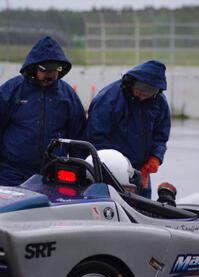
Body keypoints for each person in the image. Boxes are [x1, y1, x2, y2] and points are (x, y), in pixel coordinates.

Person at [0, 36, 86, 186]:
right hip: (12, 172)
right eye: (46, 69)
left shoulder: (67, 95)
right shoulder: (11, 90)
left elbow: (78, 135)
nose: (51, 74)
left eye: (55, 69)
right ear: (34, 67)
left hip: (53, 173)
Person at [85, 60, 171, 198]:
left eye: (150, 92)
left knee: (143, 210)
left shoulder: (159, 102)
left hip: (141, 170)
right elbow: (96, 136)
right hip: (112, 169)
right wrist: (111, 166)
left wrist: (156, 157)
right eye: (140, 90)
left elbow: (161, 135)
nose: (143, 95)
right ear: (132, 82)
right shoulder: (109, 98)